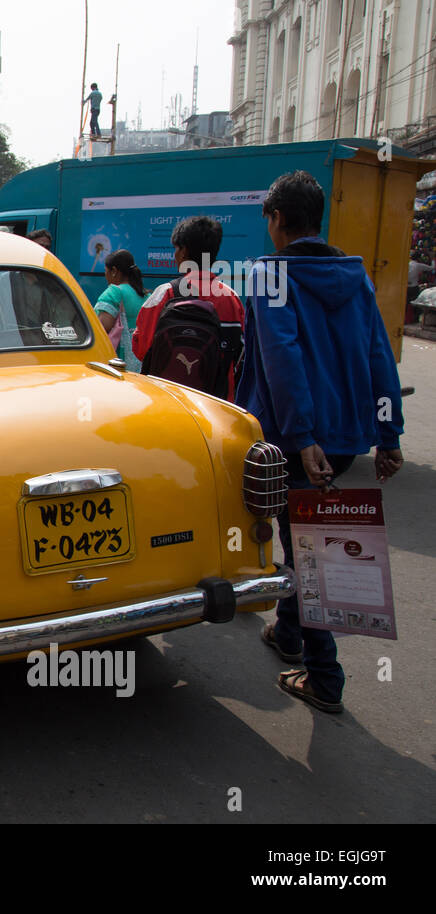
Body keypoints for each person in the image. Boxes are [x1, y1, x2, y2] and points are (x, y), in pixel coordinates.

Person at [237, 170, 404, 715]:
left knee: (312, 553)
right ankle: (288, 634)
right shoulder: (355, 277)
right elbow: (379, 352)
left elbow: (283, 359)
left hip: (294, 435)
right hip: (342, 436)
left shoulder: (267, 276)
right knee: (311, 539)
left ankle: (324, 676)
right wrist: (388, 433)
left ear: (278, 219)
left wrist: (303, 435)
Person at [132, 215, 246, 400]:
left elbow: (141, 348)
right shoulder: (232, 299)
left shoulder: (166, 294)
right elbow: (239, 356)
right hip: (218, 404)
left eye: (175, 249)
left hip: (170, 401)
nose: (174, 255)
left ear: (183, 251)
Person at [94, 249, 148, 372]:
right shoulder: (147, 296)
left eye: (106, 271)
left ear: (114, 271)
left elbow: (100, 330)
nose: (105, 276)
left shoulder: (114, 293)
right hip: (143, 367)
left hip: (118, 367)